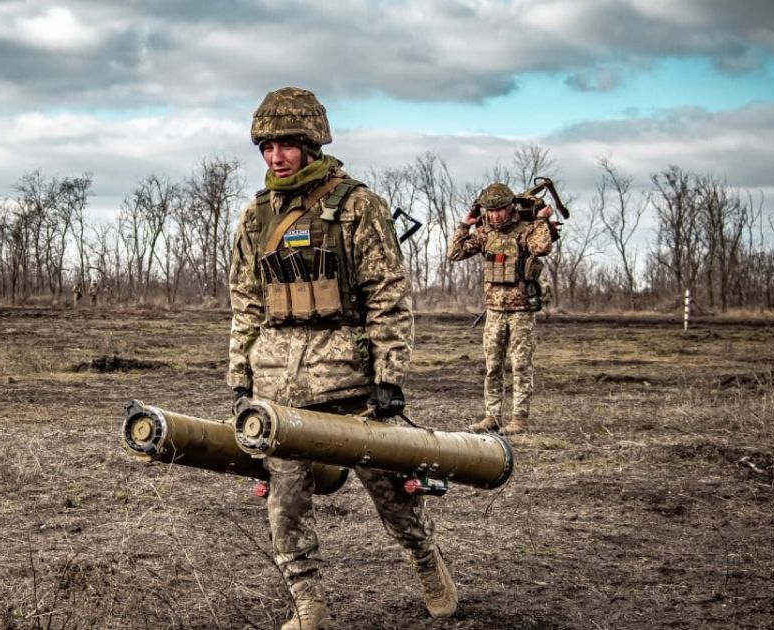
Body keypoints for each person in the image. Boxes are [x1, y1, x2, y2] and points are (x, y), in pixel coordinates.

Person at [227, 86, 457, 629]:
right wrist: (241, 377)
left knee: (392, 495)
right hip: (277, 386)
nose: (275, 157)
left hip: (349, 382)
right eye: (265, 147)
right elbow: (244, 304)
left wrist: (389, 376)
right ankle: (309, 605)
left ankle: (426, 562)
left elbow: (388, 295)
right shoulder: (256, 217)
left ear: (311, 145)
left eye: (285, 145)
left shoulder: (358, 206)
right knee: (284, 504)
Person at [447, 182, 554, 436]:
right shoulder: (485, 234)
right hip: (494, 310)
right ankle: (492, 416)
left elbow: (542, 248)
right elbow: (454, 253)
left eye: (500, 210)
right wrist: (465, 224)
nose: (495, 215)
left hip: (521, 311)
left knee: (520, 366)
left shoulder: (525, 231)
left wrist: (540, 221)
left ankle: (519, 419)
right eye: (490, 210)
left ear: (511, 208)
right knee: (493, 366)